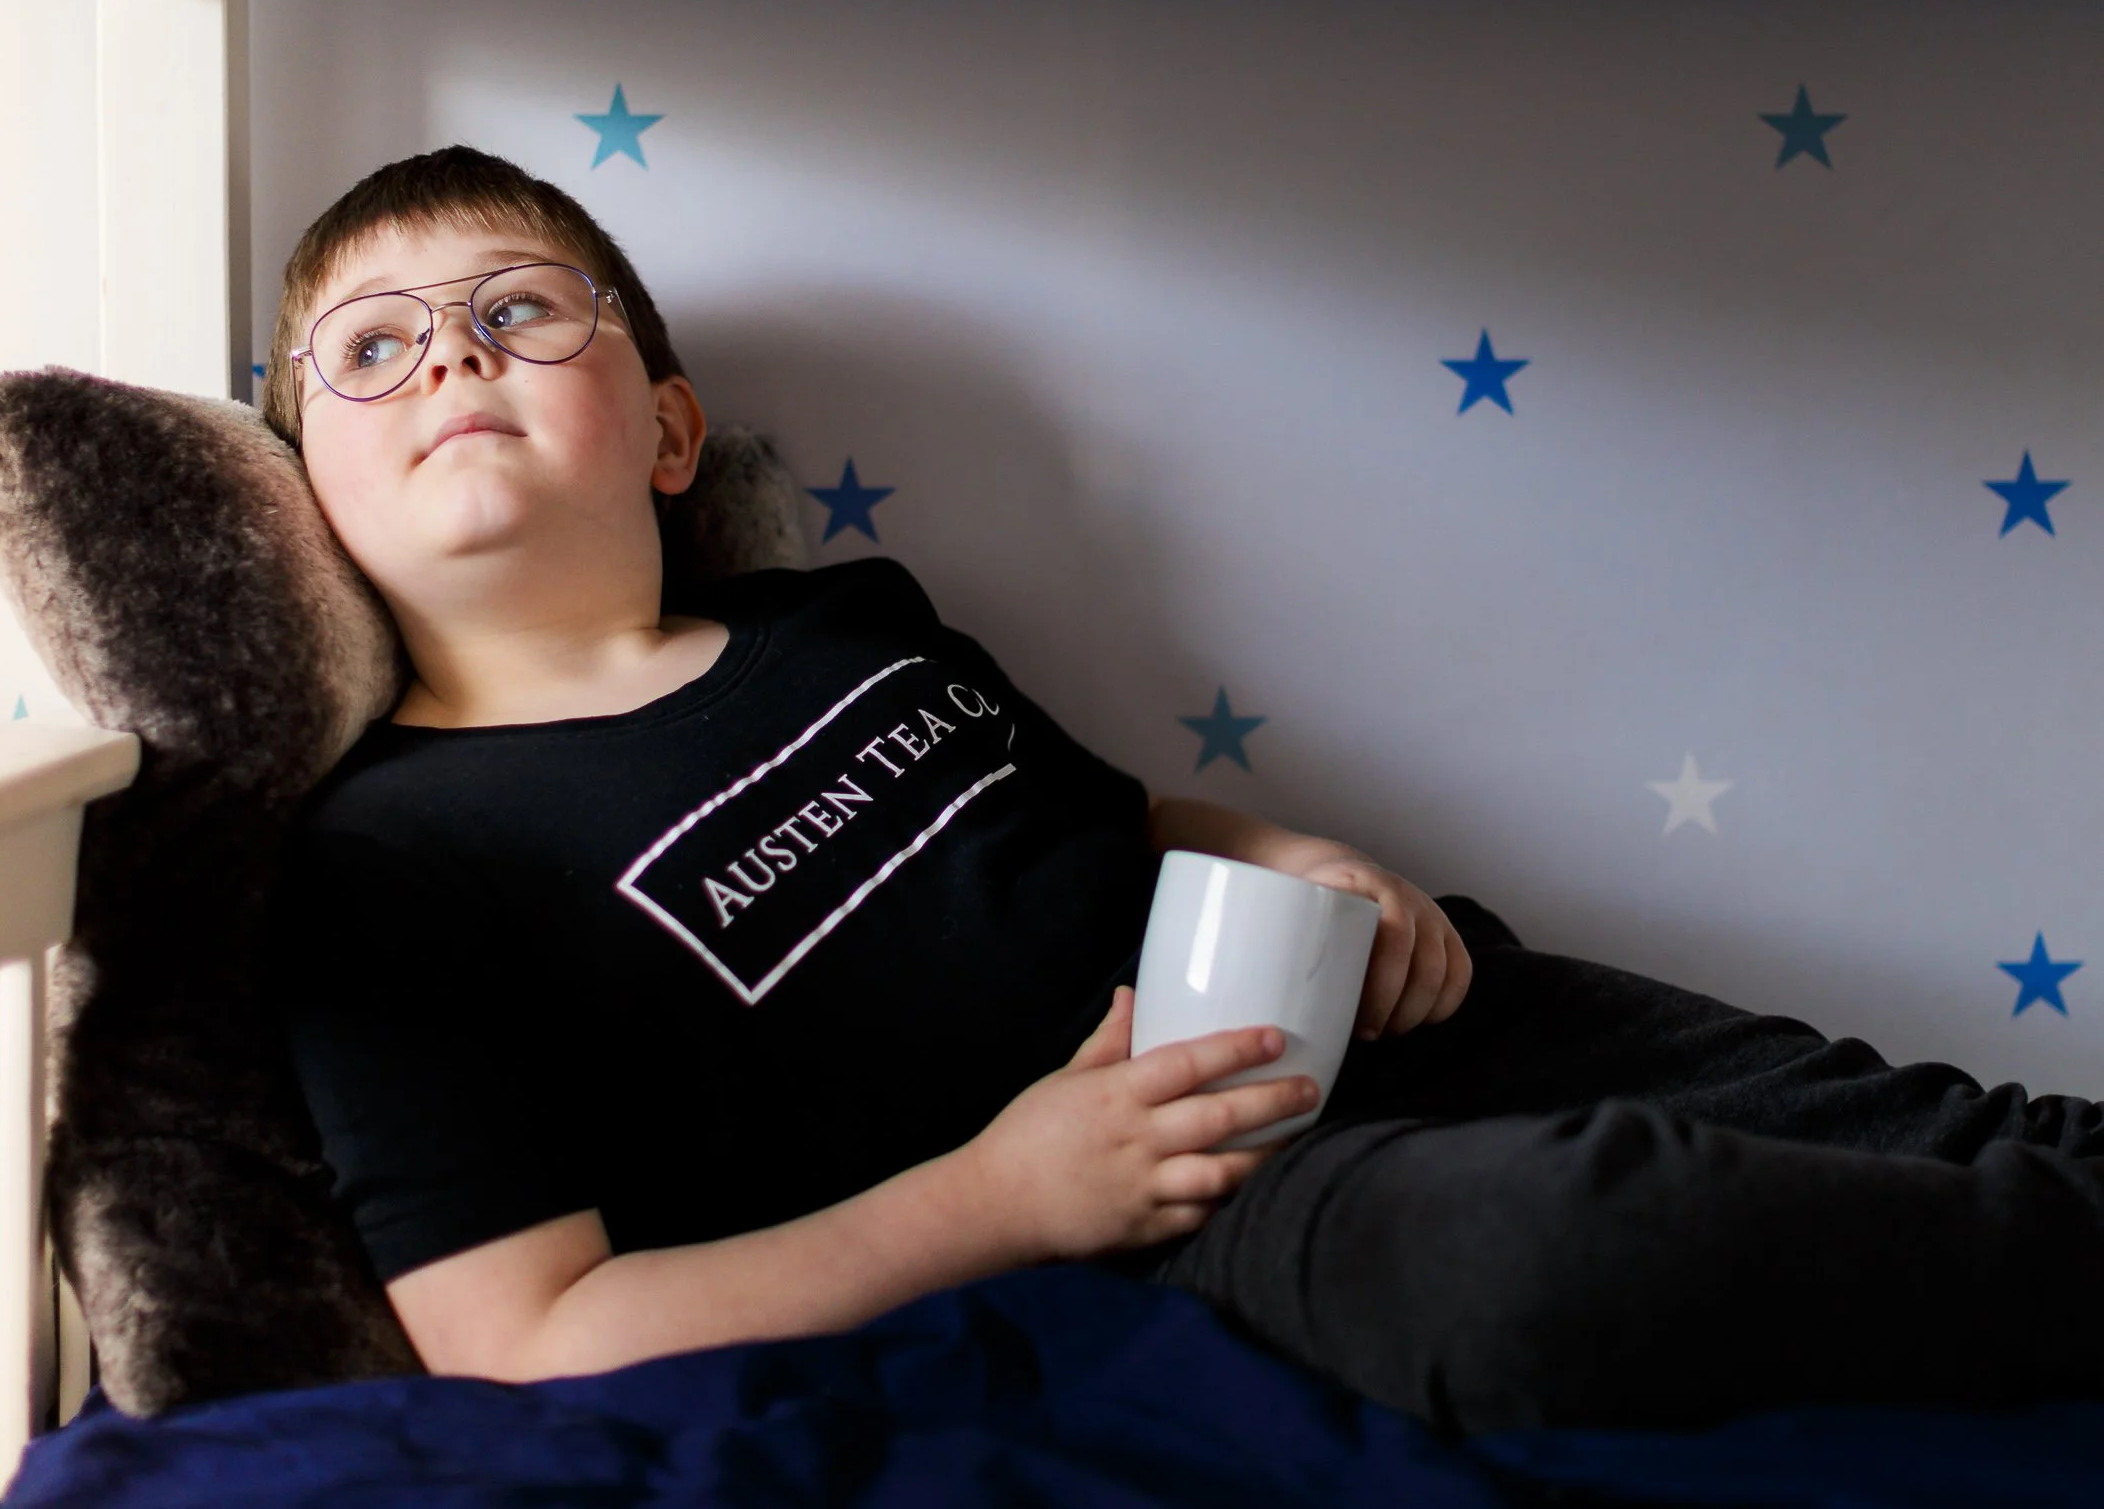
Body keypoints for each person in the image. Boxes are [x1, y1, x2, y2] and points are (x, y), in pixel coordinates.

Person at [260, 147, 2104, 1438]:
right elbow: (517, 1340)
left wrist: (1297, 850)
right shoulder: (382, 863)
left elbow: (1122, 824)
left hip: (1402, 1007)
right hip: (1184, 1200)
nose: (451, 354)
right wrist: (1000, 1198)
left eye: (520, 308)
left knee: (1920, 1114)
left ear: (667, 429)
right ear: (300, 488)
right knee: (1562, 1259)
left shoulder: (843, 618)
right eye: (369, 347)